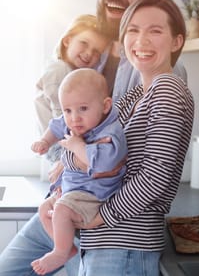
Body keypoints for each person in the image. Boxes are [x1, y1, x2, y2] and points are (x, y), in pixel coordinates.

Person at [0, 0, 187, 276]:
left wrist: (98, 213)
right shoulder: (93, 54)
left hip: (106, 217)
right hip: (69, 201)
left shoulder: (162, 76)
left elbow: (131, 162)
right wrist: (63, 173)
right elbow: (67, 128)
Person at [77, 0, 194, 276]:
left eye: (155, 31)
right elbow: (94, 150)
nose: (141, 41)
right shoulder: (133, 96)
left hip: (125, 247)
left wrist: (99, 216)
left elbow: (155, 177)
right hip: (106, 244)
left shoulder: (167, 87)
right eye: (133, 30)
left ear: (176, 41)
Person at [30, 68, 127, 275]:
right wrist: (44, 141)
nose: (74, 118)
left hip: (94, 195)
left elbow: (103, 165)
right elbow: (56, 126)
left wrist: (76, 146)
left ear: (105, 106)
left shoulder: (110, 133)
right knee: (45, 210)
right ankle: (67, 249)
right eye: (68, 110)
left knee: (62, 211)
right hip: (74, 192)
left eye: (83, 108)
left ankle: (59, 252)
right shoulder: (76, 122)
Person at [34, 14, 110, 163]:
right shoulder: (60, 71)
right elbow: (64, 121)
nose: (89, 53)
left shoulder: (69, 72)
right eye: (84, 43)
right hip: (59, 145)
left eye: (96, 52)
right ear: (67, 40)